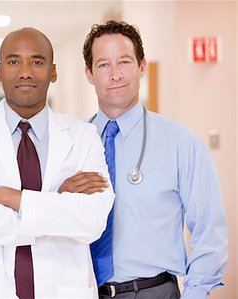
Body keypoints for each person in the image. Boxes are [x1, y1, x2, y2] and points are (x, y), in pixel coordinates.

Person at [0, 27, 114, 299]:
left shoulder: (83, 136)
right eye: (13, 62)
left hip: (66, 289)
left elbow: (92, 221)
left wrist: (12, 198)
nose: (25, 72)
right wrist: (56, 203)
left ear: (53, 71)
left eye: (37, 61)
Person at [79, 20, 228, 298]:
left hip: (151, 290)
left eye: (124, 62)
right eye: (103, 65)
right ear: (89, 74)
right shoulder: (75, 143)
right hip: (82, 291)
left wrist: (194, 295)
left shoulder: (180, 143)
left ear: (142, 66)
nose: (115, 75)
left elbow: (210, 232)